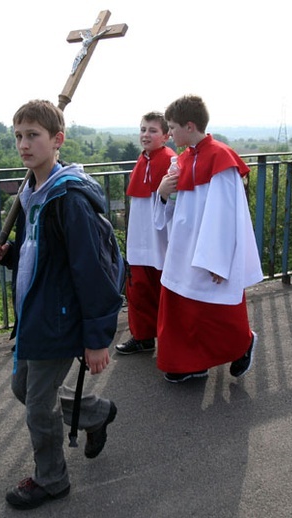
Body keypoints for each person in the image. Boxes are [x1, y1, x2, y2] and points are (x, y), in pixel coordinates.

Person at [0, 100, 121, 510]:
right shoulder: (33, 192)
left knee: (39, 407)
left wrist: (96, 340)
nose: (23, 145)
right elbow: (39, 254)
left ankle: (52, 480)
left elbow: (91, 271)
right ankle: (95, 413)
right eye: (18, 136)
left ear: (57, 140)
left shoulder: (68, 200)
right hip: (37, 313)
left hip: (59, 319)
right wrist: (6, 254)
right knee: (22, 387)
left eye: (33, 136)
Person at [154, 95, 263, 383]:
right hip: (183, 245)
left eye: (173, 127)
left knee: (215, 309)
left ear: (190, 126)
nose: (170, 134)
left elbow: (224, 216)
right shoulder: (184, 157)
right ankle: (189, 362)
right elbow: (177, 207)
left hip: (208, 248)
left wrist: (218, 260)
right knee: (181, 304)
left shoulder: (220, 157)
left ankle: (243, 344)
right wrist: (163, 193)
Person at [115, 112, 176, 355]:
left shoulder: (170, 161)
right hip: (140, 237)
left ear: (165, 135)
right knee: (138, 288)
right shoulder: (143, 159)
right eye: (143, 130)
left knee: (164, 291)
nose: (145, 135)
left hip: (161, 239)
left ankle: (169, 339)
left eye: (152, 130)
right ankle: (142, 337)